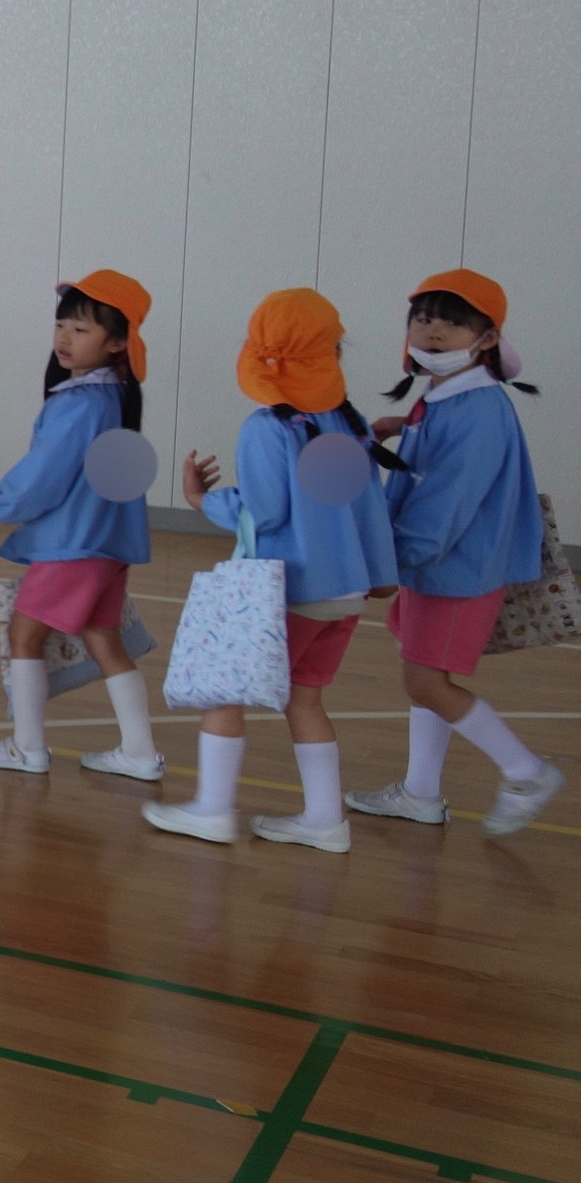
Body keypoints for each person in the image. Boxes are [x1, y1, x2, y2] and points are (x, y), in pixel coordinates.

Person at [145, 290, 399, 849]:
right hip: (346, 593)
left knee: (224, 693)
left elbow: (263, 513)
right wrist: (382, 576)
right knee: (305, 699)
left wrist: (202, 500)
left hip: (291, 590)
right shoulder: (350, 422)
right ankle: (325, 820)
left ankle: (213, 810)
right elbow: (369, 509)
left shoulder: (268, 428)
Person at [345, 270, 563, 837]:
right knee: (425, 673)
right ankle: (420, 792)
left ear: (486, 338)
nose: (433, 331)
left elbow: (447, 502)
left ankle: (526, 772)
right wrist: (392, 433)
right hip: (442, 567)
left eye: (452, 322)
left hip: (455, 570)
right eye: (423, 318)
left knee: (425, 682)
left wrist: (386, 563)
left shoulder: (476, 410)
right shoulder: (444, 397)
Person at [0, 272, 160, 781]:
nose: (64, 338)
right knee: (104, 639)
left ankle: (27, 748)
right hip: (105, 544)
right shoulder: (114, 398)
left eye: (81, 329)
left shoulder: (79, 403)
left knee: (24, 635)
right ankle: (139, 752)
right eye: (61, 325)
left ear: (117, 342)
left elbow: (43, 475)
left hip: (73, 544)